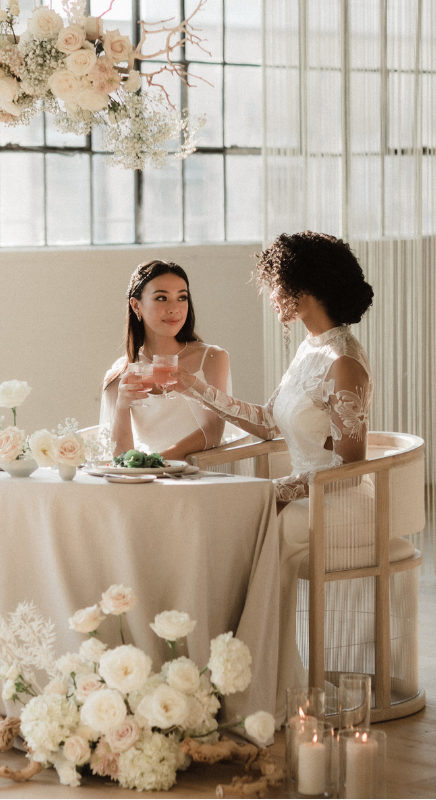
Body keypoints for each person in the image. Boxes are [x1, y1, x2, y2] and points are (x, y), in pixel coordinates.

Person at [167, 231, 375, 713]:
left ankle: (267, 689)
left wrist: (281, 490)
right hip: (305, 495)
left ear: (303, 290)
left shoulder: (343, 362)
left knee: (256, 529)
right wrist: (194, 388)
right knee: (242, 523)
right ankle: (226, 673)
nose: (272, 297)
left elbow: (351, 463)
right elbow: (267, 421)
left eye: (276, 286)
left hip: (338, 501)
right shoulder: (311, 349)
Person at [99, 260, 234, 460]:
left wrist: (157, 462)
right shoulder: (119, 376)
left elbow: (214, 431)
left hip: (201, 476)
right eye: (161, 298)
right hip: (146, 482)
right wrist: (122, 405)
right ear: (136, 305)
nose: (174, 308)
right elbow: (121, 459)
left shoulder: (212, 358)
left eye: (182, 297)